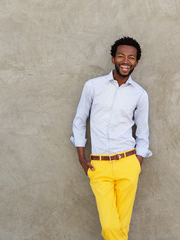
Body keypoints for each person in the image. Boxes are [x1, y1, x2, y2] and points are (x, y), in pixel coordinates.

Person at [70, 36, 152, 240]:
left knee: (121, 227)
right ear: (113, 59)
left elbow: (143, 131)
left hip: (128, 163)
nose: (126, 61)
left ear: (136, 62)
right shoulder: (93, 86)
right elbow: (80, 121)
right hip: (99, 166)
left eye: (131, 57)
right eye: (121, 56)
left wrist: (137, 162)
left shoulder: (140, 94)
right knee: (110, 227)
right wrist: (82, 156)